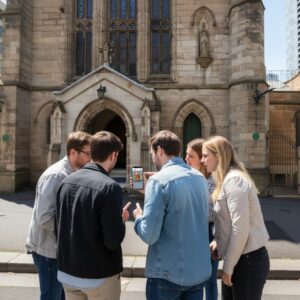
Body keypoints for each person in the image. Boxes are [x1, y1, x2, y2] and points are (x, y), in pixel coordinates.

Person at [133, 130, 211, 300]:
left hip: (167, 274)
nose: (153, 157)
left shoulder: (158, 181)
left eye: (153, 152)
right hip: (197, 272)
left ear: (160, 150)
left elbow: (149, 235)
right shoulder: (199, 178)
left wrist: (139, 217)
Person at [56, 131, 131, 300]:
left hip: (68, 271)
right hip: (98, 275)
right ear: (113, 155)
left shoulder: (66, 181)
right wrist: (121, 220)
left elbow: (58, 227)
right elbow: (112, 240)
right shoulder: (110, 187)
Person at [202, 136, 270, 300]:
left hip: (247, 261)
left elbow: (240, 228)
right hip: (240, 259)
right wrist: (219, 240)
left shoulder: (234, 180)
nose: (203, 160)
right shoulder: (227, 179)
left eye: (205, 155)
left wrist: (229, 266)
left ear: (218, 156)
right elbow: (230, 222)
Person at [26, 131, 92, 300]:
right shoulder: (56, 176)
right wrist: (74, 229)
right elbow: (44, 217)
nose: (90, 159)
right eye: (87, 154)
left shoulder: (72, 173)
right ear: (72, 152)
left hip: (60, 250)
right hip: (48, 251)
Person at [185, 138, 218, 300]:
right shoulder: (188, 177)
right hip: (191, 232)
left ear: (201, 159)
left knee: (209, 281)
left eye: (190, 156)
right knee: (192, 280)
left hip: (207, 232)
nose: (186, 159)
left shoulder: (212, 181)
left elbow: (212, 213)